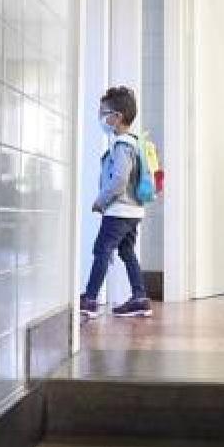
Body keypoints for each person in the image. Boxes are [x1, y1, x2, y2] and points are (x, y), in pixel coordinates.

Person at [80, 86, 155, 319]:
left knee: (101, 250)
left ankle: (90, 300)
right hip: (133, 211)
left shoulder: (122, 144)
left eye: (104, 113)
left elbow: (120, 179)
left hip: (119, 210)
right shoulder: (135, 142)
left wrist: (101, 201)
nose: (101, 118)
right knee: (127, 251)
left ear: (118, 117)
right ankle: (140, 298)